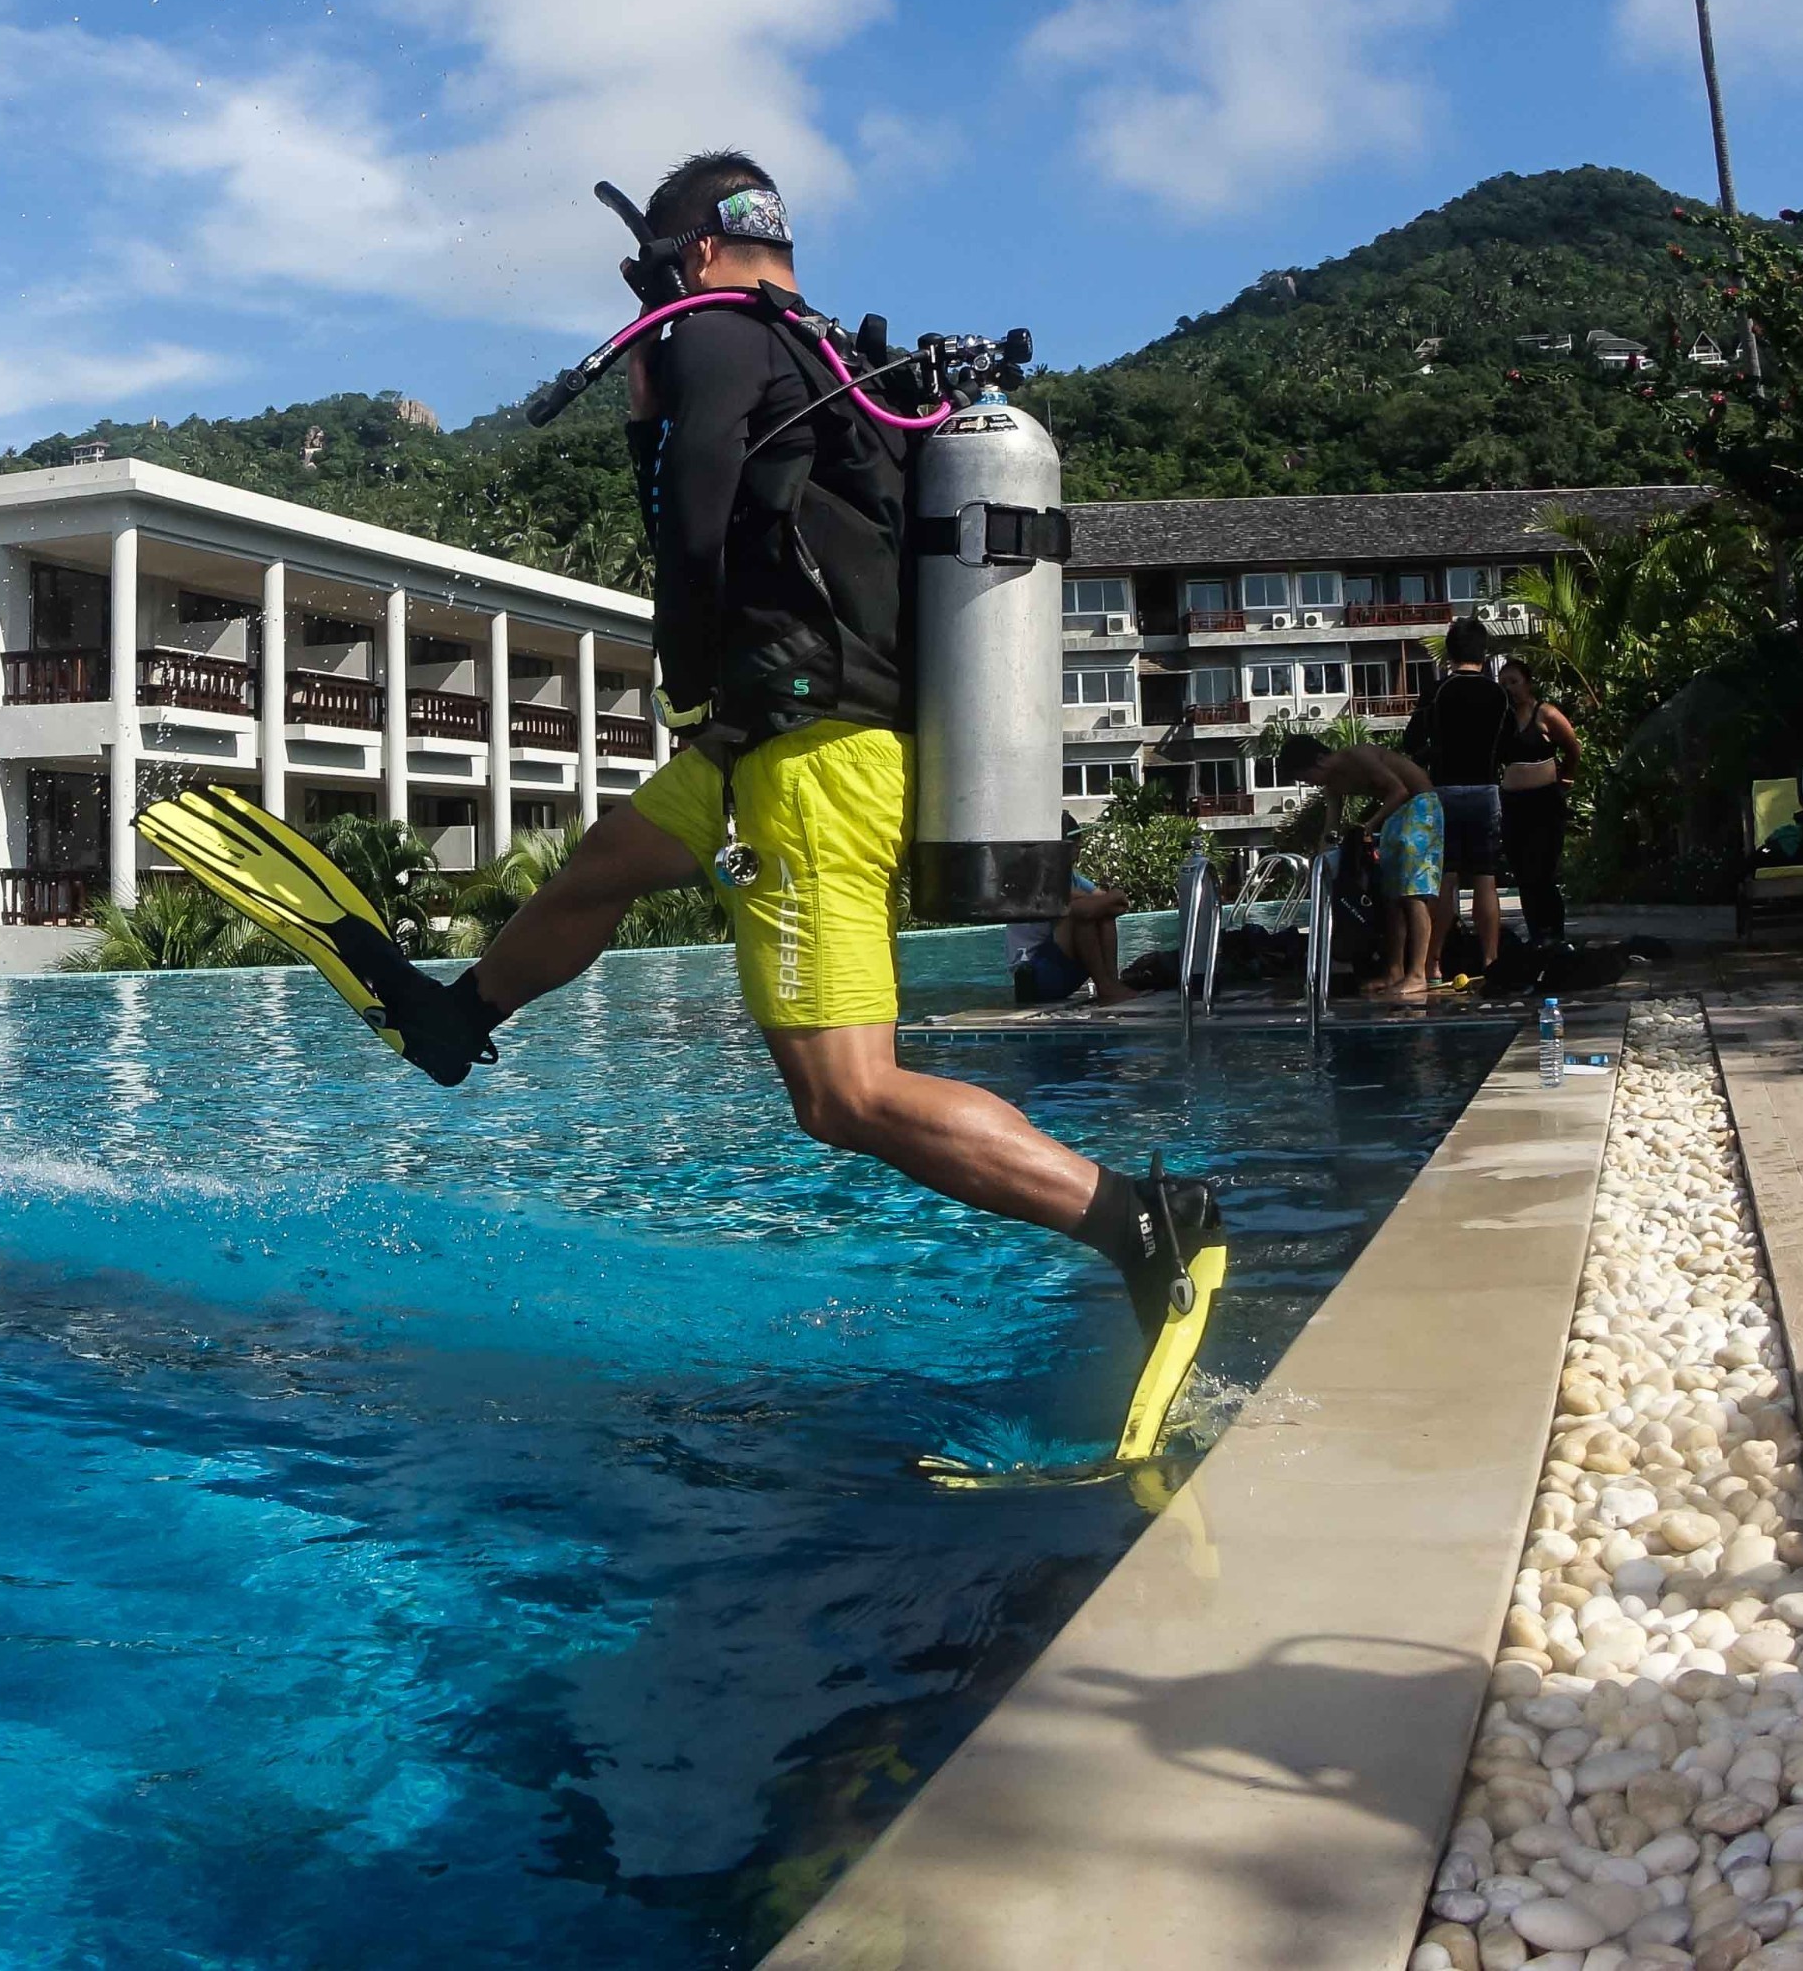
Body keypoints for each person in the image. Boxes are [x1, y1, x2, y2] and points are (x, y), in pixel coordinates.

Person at [148, 152, 1217, 1341]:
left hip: (807, 759)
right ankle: (463, 1019)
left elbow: (695, 512)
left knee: (844, 1094)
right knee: (604, 866)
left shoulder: (714, 330)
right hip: (796, 733)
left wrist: (686, 667)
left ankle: (1136, 1219)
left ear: (690, 255)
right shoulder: (831, 359)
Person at [1398, 617, 1508, 974]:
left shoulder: (1438, 691)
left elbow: (1412, 742)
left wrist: (1434, 753)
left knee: (1445, 877)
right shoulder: (1497, 693)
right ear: (1484, 652)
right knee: (1485, 877)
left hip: (1443, 789)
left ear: (1449, 651)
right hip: (1486, 788)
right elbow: (1505, 745)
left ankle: (1433, 961)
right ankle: (1491, 960)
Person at [1306, 744, 1442, 1001]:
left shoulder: (1356, 756)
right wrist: (1322, 857)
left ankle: (1417, 974)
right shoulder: (1333, 784)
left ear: (1320, 761)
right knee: (1391, 896)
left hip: (1420, 806)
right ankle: (1394, 971)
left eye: (1307, 777)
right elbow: (1330, 826)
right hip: (1395, 816)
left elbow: (1399, 790)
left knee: (1413, 893)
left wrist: (1368, 826)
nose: (1311, 784)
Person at [1497, 656, 1581, 951]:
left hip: (1544, 802)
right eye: (1503, 683)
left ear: (1527, 683)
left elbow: (1572, 746)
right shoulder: (1502, 720)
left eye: (1514, 682)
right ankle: (1536, 936)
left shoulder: (1544, 713)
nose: (1509, 688)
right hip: (1513, 803)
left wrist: (1566, 779)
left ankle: (1555, 935)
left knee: (1543, 871)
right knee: (1522, 873)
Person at [1009, 875, 1133, 1007]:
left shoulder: (1073, 878)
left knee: (1103, 913)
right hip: (1032, 978)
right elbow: (1088, 909)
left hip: (1064, 972)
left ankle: (1113, 984)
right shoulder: (1035, 880)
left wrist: (1106, 900)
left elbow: (1118, 905)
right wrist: (1113, 896)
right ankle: (1106, 989)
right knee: (1079, 913)